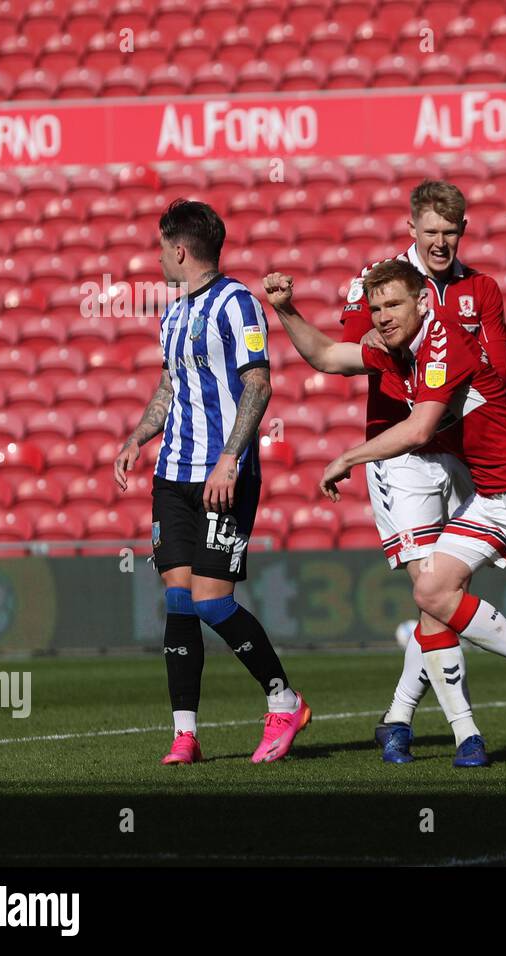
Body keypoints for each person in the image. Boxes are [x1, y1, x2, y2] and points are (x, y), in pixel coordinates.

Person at [264, 260, 506, 775]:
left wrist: (347, 457)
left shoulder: (443, 340)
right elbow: (324, 355)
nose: (383, 317)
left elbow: (419, 429)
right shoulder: (395, 349)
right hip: (492, 496)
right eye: (377, 307)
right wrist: (285, 309)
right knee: (432, 590)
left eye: (394, 305)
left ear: (423, 303)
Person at [332, 180, 506, 766]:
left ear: (462, 232)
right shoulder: (382, 283)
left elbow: (501, 374)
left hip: (461, 448)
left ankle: (398, 718)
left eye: (450, 232)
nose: (440, 242)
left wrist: (442, 362)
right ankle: (468, 731)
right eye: (431, 231)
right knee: (432, 591)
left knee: (439, 592)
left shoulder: (475, 286)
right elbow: (348, 350)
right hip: (402, 453)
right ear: (411, 228)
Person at [115, 199, 309, 766]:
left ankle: (284, 699)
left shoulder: (239, 303)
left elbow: (258, 384)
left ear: (179, 249)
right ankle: (185, 733)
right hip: (171, 474)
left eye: (160, 247)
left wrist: (230, 458)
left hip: (221, 476)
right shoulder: (171, 314)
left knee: (211, 602)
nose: (157, 257)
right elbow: (170, 388)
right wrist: (137, 438)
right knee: (178, 600)